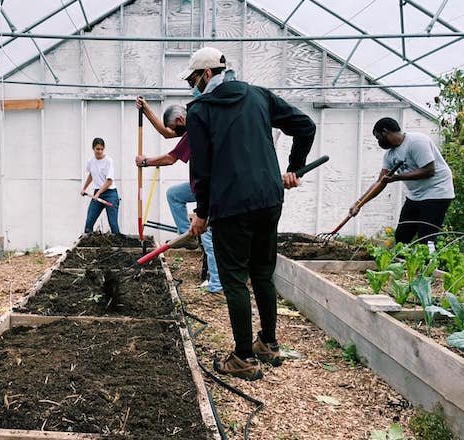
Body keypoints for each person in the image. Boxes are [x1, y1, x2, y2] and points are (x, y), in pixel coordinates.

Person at [183, 47, 316, 380]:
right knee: (261, 272)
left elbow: (202, 168)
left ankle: (243, 357)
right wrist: (293, 168)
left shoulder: (200, 110)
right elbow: (305, 126)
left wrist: (201, 212)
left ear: (208, 74)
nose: (193, 86)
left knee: (234, 280)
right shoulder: (259, 96)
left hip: (232, 205)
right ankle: (268, 344)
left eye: (194, 79)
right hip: (269, 200)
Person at [135, 97, 223, 294]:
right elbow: (167, 133)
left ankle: (217, 283)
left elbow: (169, 159)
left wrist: (144, 162)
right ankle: (188, 235)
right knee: (174, 194)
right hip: (202, 184)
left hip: (212, 187)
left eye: (175, 128)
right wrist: (147, 109)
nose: (174, 132)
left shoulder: (196, 130)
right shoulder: (191, 125)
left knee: (208, 235)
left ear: (181, 120)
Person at [349, 117, 454, 245]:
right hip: (416, 196)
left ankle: (430, 263)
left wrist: (398, 177)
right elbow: (380, 182)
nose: (378, 142)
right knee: (402, 237)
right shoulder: (390, 155)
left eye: (378, 138)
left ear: (385, 132)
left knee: (427, 238)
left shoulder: (416, 142)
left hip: (437, 192)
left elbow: (429, 171)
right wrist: (358, 204)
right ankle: (404, 264)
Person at [81, 137, 120, 234]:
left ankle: (119, 247)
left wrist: (98, 193)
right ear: (93, 148)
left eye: (102, 149)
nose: (100, 151)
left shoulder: (108, 161)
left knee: (113, 224)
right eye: (97, 149)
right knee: (89, 221)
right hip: (97, 193)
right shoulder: (91, 161)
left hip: (110, 194)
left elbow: (109, 181)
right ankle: (87, 246)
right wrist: (84, 188)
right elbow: (91, 175)